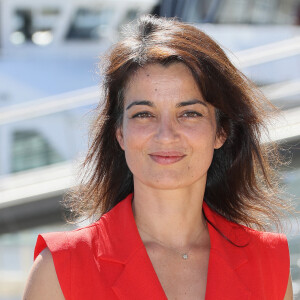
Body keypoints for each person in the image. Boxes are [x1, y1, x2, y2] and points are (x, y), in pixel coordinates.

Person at [24, 15, 293, 299]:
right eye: (144, 114)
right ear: (120, 133)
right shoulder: (60, 269)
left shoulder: (270, 263)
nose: (166, 134)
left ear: (221, 132)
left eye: (189, 113)